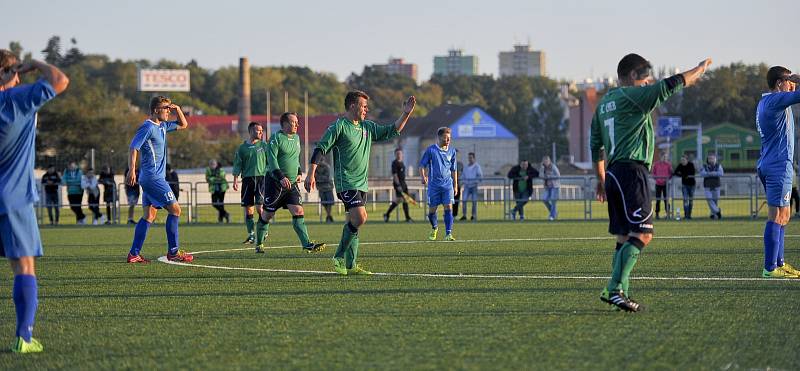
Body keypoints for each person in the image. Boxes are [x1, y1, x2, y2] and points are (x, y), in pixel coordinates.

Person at [591, 53, 711, 312]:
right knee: (643, 234)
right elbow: (671, 84)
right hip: (630, 172)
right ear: (633, 76)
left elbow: (595, 146)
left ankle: (618, 291)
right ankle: (613, 289)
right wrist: (699, 70)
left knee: (624, 236)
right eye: (644, 76)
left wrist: (600, 178)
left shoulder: (604, 104)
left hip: (613, 173)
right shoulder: (633, 96)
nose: (648, 82)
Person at [0, 50, 69, 353]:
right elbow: (59, 80)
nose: (18, 77)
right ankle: (24, 338)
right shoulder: (15, 99)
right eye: (14, 71)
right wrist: (35, 64)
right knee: (24, 267)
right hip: (12, 197)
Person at [305, 91, 416, 275]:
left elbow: (393, 129)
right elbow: (320, 148)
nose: (366, 109)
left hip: (361, 184)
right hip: (346, 182)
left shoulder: (367, 127)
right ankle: (338, 256)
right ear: (352, 106)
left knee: (353, 221)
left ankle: (351, 265)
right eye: (363, 106)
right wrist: (311, 173)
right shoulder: (338, 126)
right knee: (360, 217)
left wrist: (406, 113)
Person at [126, 96, 193, 263]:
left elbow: (183, 124)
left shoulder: (162, 126)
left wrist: (177, 109)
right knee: (176, 210)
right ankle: (173, 252)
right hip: (153, 178)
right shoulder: (148, 127)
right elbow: (134, 147)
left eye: (169, 109)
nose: (168, 112)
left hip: (151, 178)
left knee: (149, 215)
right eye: (166, 108)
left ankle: (134, 253)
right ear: (156, 110)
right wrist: (131, 170)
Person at [255, 112, 326, 254]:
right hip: (275, 183)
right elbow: (272, 159)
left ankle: (306, 244)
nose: (297, 125)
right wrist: (281, 177)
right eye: (294, 122)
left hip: (292, 184)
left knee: (299, 211)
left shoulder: (297, 138)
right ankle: (259, 243)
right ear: (285, 124)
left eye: (297, 122)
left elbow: (295, 158)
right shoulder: (276, 138)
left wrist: (299, 172)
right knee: (267, 215)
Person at [755, 67, 800, 278]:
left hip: (774, 164)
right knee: (776, 216)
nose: (792, 84)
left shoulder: (767, 101)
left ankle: (779, 263)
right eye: (789, 80)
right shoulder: (775, 100)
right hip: (777, 166)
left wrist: (792, 82)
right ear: (779, 83)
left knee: (784, 215)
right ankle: (770, 268)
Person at [232, 122, 268, 244]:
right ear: (251, 131)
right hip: (247, 180)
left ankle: (265, 230)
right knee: (248, 209)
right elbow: (237, 164)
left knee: (259, 207)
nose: (261, 132)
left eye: (262, 130)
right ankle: (251, 235)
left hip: (261, 179)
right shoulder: (242, 148)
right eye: (258, 130)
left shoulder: (264, 146)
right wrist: (235, 180)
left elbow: (271, 162)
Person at [420, 127, 458, 241]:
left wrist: (455, 185)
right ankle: (434, 227)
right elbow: (422, 165)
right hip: (434, 186)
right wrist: (423, 177)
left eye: (449, 138)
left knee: (448, 208)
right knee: (432, 211)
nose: (448, 140)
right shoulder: (431, 150)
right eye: (446, 138)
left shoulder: (452, 151)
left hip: (447, 185)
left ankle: (448, 234)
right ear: (440, 137)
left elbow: (454, 170)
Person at [383, 148, 413, 223]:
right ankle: (407, 218)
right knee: (403, 200)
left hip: (404, 184)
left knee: (401, 200)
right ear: (395, 155)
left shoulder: (402, 162)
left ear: (402, 154)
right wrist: (398, 185)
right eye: (397, 154)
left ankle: (387, 214)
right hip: (398, 184)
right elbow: (395, 175)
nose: (399, 155)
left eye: (400, 153)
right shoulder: (394, 163)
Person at [460, 152, 483, 221]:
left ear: (474, 158)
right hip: (467, 186)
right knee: (464, 200)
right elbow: (463, 176)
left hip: (474, 186)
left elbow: (480, 176)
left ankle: (473, 215)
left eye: (471, 158)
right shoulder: (466, 167)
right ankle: (464, 215)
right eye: (469, 158)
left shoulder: (477, 167)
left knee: (474, 201)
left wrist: (476, 181)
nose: (469, 159)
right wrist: (462, 182)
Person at [672, 155, 697, 220]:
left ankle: (689, 215)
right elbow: (675, 173)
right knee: (685, 200)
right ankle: (686, 215)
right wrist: (683, 175)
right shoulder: (680, 165)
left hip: (692, 185)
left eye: (683, 160)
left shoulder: (691, 165)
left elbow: (693, 173)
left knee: (691, 200)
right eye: (681, 160)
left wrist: (686, 175)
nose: (682, 161)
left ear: (687, 160)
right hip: (684, 185)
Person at [700, 153, 723, 219]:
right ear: (707, 159)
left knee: (715, 201)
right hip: (707, 186)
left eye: (712, 158)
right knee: (709, 199)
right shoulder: (704, 166)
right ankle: (718, 211)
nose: (711, 160)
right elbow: (702, 174)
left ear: (715, 159)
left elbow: (721, 173)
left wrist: (711, 173)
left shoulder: (719, 165)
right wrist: (711, 174)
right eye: (709, 158)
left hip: (716, 185)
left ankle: (713, 215)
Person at [651, 152, 673, 219]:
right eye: (663, 156)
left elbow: (671, 173)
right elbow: (653, 173)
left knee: (666, 199)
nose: (664, 158)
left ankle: (668, 214)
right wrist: (657, 179)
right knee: (658, 199)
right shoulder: (656, 164)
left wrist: (666, 179)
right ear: (660, 157)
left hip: (665, 184)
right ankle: (657, 214)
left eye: (665, 157)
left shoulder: (668, 165)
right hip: (658, 184)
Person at [539, 156, 560, 221]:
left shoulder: (553, 167)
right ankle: (554, 212)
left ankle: (552, 216)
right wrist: (542, 171)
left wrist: (549, 176)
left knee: (553, 201)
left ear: (549, 161)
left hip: (554, 186)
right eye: (544, 162)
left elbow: (558, 175)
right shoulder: (543, 168)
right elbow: (540, 176)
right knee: (544, 199)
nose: (546, 163)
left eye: (547, 161)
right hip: (547, 187)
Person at [316, 156, 336, 223]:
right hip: (321, 189)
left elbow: (327, 177)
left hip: (328, 188)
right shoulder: (316, 168)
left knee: (329, 203)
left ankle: (328, 216)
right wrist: (319, 179)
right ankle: (329, 216)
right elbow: (315, 177)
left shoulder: (327, 167)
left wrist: (319, 179)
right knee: (324, 203)